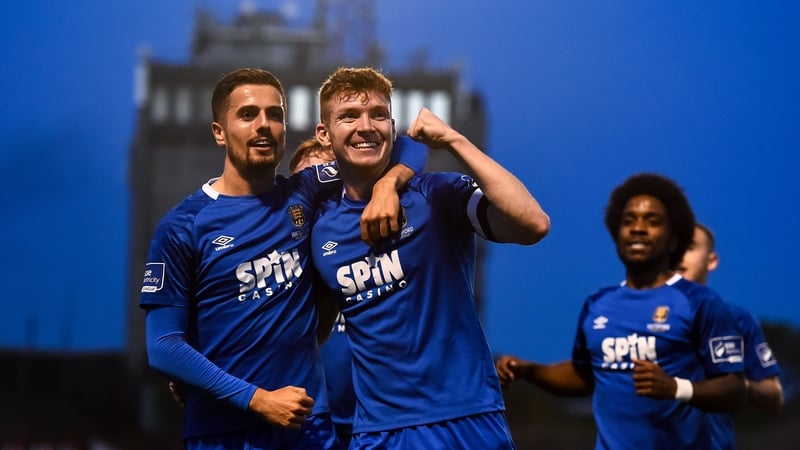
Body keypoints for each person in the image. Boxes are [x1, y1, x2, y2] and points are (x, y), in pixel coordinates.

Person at [139, 68, 426, 449]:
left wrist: (389, 183)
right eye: (248, 115)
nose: (264, 125)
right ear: (218, 132)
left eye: (274, 115)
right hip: (222, 432)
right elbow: (163, 346)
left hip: (308, 427)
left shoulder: (305, 190)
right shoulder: (183, 226)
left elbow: (409, 146)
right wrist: (257, 399)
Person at [310, 67, 551, 449]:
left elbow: (533, 224)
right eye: (349, 116)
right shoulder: (320, 230)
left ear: (392, 125)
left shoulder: (436, 196)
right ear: (324, 133)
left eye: (378, 114)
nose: (366, 126)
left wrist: (454, 140)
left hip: (466, 419)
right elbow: (309, 331)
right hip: (378, 433)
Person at [495, 173, 747, 450]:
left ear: (674, 239)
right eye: (629, 221)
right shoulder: (598, 304)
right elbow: (584, 376)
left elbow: (733, 389)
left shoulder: (699, 301)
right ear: (616, 234)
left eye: (652, 221)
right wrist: (530, 370)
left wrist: (676, 388)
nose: (638, 229)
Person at [678, 222, 783, 449]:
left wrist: (731, 385)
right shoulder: (626, 316)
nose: (677, 256)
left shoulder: (735, 317)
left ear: (712, 260)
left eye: (688, 247)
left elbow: (774, 396)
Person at [288, 137, 356, 447]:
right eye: (304, 185)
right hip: (308, 432)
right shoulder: (282, 268)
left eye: (325, 183)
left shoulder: (385, 245)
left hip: (383, 429)